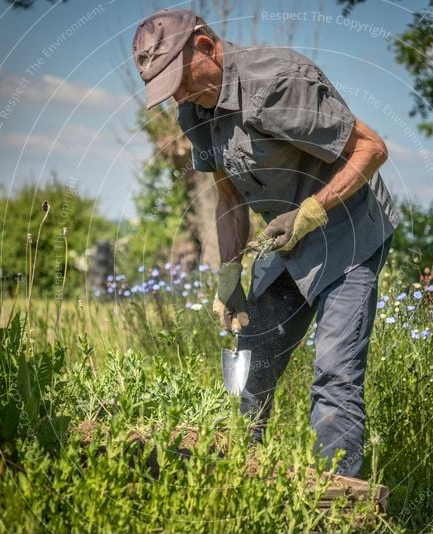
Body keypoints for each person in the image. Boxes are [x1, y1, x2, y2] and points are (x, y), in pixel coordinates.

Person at [132, 9, 398, 478]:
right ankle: (241, 479)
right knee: (248, 360)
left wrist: (312, 211)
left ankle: (340, 510)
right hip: (285, 238)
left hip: (348, 230)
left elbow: (371, 148)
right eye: (167, 86)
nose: (177, 93)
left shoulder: (276, 83)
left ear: (206, 47)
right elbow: (230, 196)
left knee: (334, 374)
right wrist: (230, 275)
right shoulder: (195, 109)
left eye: (178, 77)